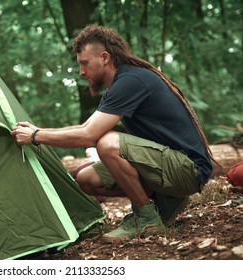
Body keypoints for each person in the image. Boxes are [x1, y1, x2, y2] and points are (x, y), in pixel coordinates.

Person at [11, 25, 214, 244]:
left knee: (107, 143)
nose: (81, 72)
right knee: (86, 179)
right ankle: (166, 200)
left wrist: (35, 137)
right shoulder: (121, 84)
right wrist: (36, 131)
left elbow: (88, 136)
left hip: (188, 169)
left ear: (105, 58)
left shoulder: (131, 81)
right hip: (169, 164)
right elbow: (84, 127)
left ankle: (146, 217)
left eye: (84, 63)